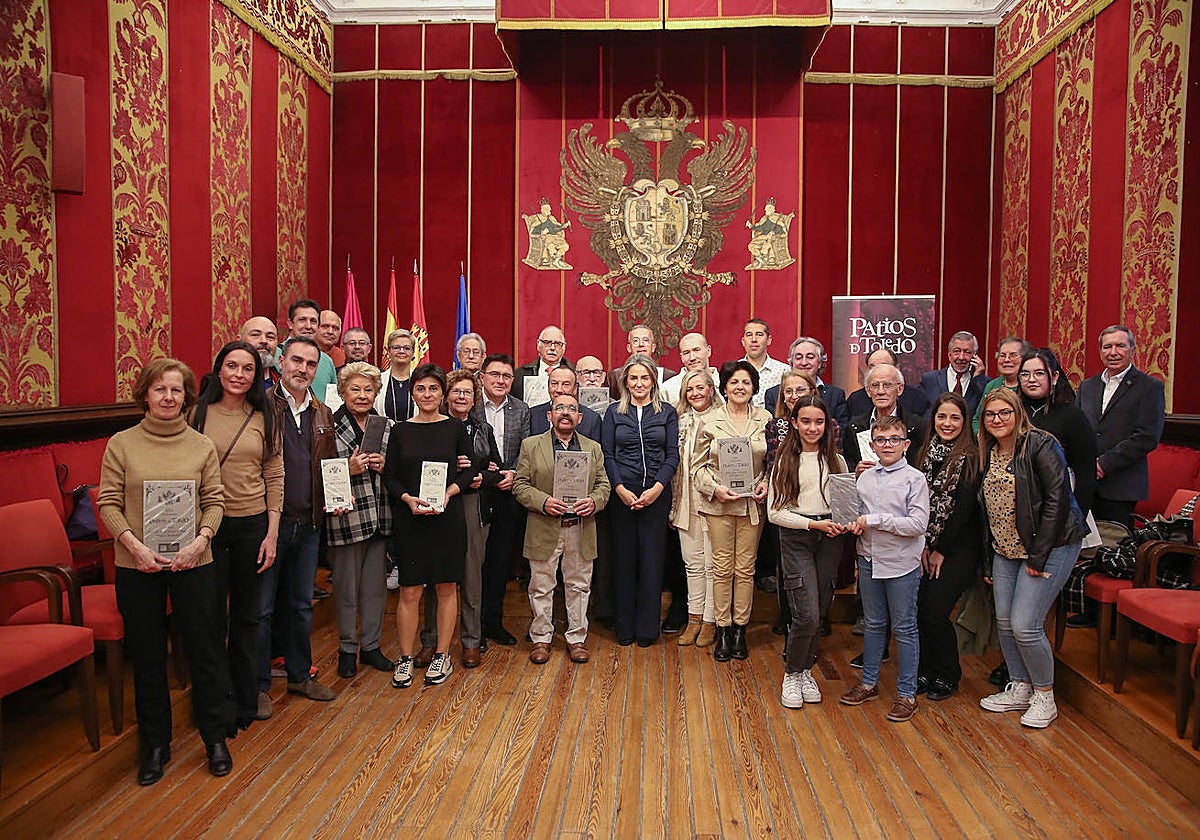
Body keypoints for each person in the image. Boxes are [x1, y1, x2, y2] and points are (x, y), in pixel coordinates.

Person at [97, 358, 232, 785]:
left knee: (205, 651)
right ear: (145, 395)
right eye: (160, 389)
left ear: (186, 397)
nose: (168, 397)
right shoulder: (121, 444)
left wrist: (201, 541)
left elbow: (215, 502)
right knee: (149, 656)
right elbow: (108, 503)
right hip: (137, 564)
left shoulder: (201, 445)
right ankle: (155, 745)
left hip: (194, 561)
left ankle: (214, 736)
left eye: (176, 390)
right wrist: (134, 547)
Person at [189, 341, 283, 735]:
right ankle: (215, 704)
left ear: (257, 376)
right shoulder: (196, 413)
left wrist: (272, 533)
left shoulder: (265, 415)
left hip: (252, 525)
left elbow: (274, 474)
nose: (239, 375)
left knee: (248, 616)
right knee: (211, 617)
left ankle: (245, 699)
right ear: (218, 369)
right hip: (207, 527)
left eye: (248, 368)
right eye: (232, 366)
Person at [977, 389, 1085, 729]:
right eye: (990, 414)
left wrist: (1038, 558)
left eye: (1004, 412)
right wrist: (988, 560)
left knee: (1025, 625)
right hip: (1005, 549)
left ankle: (1044, 695)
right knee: (1004, 621)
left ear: (1018, 413)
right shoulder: (988, 452)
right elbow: (987, 512)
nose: (997, 419)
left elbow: (1057, 501)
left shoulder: (1040, 444)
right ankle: (1020, 686)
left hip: (1050, 547)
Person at [384, 363, 477, 688]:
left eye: (433, 388)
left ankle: (442, 654)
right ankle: (405, 658)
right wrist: (407, 499)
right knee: (409, 590)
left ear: (443, 394)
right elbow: (390, 476)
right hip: (411, 518)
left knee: (446, 587)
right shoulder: (400, 431)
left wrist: (451, 491)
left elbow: (470, 470)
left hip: (447, 519)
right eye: (421, 388)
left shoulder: (455, 428)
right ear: (413, 393)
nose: (427, 394)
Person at [261, 336, 338, 708]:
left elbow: (329, 465)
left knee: (300, 605)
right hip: (268, 526)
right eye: (296, 360)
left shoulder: (323, 412)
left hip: (308, 525)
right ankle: (257, 686)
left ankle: (299, 675)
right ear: (281, 362)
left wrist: (336, 498)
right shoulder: (261, 407)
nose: (302, 369)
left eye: (310, 364)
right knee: (262, 607)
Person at [839, 415, 930, 723]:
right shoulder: (865, 478)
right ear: (872, 445)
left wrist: (875, 521)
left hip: (901, 563)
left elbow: (917, 524)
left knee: (904, 628)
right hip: (868, 560)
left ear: (906, 444)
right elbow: (856, 514)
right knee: (874, 624)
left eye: (894, 440)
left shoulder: (915, 479)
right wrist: (852, 524)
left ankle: (906, 694)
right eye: (880, 440)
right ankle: (868, 683)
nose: (887, 445)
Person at [513, 393, 611, 664]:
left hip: (579, 526)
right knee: (541, 586)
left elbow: (604, 485)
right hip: (544, 525)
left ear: (580, 417)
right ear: (550, 415)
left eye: (571, 408)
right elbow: (519, 484)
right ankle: (541, 638)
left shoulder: (593, 448)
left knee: (579, 586)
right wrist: (543, 502)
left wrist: (594, 501)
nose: (565, 412)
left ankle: (576, 638)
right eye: (560, 408)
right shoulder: (531, 445)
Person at [768, 395, 849, 708]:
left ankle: (805, 671)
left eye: (819, 422)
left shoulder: (837, 461)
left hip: (830, 538)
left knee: (821, 606)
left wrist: (841, 524)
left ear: (827, 425)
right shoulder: (784, 461)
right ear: (794, 423)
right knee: (806, 613)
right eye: (806, 421)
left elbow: (845, 506)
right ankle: (792, 672)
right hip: (798, 537)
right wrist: (812, 525)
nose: (812, 428)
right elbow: (775, 513)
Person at [692, 360, 772, 661]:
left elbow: (772, 462)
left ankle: (740, 630)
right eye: (734, 382)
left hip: (751, 505)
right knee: (722, 569)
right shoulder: (710, 420)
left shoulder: (765, 419)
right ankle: (723, 630)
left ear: (754, 388)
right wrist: (715, 489)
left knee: (746, 569)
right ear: (724, 387)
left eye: (746, 382)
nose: (740, 387)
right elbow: (697, 467)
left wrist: (766, 482)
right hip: (719, 505)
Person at [425, 369, 502, 668]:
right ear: (446, 396)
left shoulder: (483, 429)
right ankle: (430, 640)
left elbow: (498, 469)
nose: (461, 397)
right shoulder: (434, 426)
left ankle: (471, 641)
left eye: (467, 392)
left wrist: (482, 476)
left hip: (473, 504)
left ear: (474, 398)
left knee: (472, 577)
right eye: (456, 391)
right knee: (437, 575)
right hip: (440, 503)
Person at [1017, 348, 1099, 628]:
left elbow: (1087, 474)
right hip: (1018, 520)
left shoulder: (1072, 416)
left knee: (1032, 612)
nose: (1031, 379)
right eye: (1025, 374)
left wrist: (1075, 518)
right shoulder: (1011, 412)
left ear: (1053, 377)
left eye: (1039, 373)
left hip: (1061, 514)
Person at [602, 354, 679, 646]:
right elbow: (608, 454)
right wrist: (619, 488)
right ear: (625, 381)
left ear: (653, 381)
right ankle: (625, 628)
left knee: (651, 562)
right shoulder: (613, 412)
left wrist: (657, 488)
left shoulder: (667, 412)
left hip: (656, 494)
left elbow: (672, 454)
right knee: (623, 561)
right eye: (633, 378)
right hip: (622, 495)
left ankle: (647, 629)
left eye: (644, 378)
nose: (638, 383)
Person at [325, 362, 395, 678]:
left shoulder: (385, 425)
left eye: (369, 389)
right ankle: (346, 648)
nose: (362, 395)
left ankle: (371, 646)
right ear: (342, 392)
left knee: (374, 589)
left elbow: (399, 468)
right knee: (346, 589)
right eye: (355, 389)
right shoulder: (328, 425)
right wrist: (348, 469)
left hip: (380, 516)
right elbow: (321, 469)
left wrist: (386, 465)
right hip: (346, 518)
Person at [914, 393, 981, 701]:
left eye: (955, 417)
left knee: (935, 611)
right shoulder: (923, 453)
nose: (948, 423)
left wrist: (939, 549)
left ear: (964, 422)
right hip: (923, 544)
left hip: (958, 548)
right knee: (919, 609)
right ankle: (925, 670)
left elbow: (962, 510)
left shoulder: (972, 457)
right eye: (942, 417)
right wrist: (923, 545)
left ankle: (948, 674)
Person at [1076, 325, 1165, 527]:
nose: (1113, 352)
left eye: (1120, 346)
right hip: (1085, 482)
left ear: (1132, 350)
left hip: (1122, 485)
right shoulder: (1087, 386)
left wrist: (1103, 465)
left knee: (1113, 543)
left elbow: (1147, 436)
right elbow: (1077, 429)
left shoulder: (1150, 387)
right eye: (1107, 347)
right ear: (1100, 351)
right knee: (1082, 542)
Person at [477, 353, 528, 646]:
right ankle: (473, 627)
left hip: (508, 493)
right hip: (476, 492)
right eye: (495, 374)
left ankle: (493, 623)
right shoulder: (469, 406)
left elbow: (527, 448)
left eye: (506, 376)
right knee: (475, 563)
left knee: (499, 562)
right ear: (482, 377)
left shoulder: (521, 410)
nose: (500, 380)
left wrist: (514, 473)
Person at [669, 368, 721, 646]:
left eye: (700, 387)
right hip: (685, 500)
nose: (695, 393)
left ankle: (710, 621)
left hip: (714, 501)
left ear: (711, 390)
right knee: (693, 564)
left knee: (712, 565)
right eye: (690, 389)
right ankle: (694, 618)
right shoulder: (678, 421)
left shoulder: (722, 419)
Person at [843, 363, 928, 472]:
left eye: (887, 385)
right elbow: (849, 465)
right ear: (868, 391)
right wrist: (856, 472)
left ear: (900, 389)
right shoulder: (854, 427)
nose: (881, 391)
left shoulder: (917, 426)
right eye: (875, 385)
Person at [763, 337, 849, 440]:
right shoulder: (774, 394)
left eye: (810, 357)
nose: (804, 362)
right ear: (791, 363)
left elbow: (842, 433)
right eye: (798, 357)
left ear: (820, 363)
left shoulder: (835, 395)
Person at [845, 348, 931, 419]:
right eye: (872, 367)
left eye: (884, 366)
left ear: (897, 368)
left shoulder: (917, 398)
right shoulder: (855, 400)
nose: (879, 371)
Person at [279, 299, 338, 398]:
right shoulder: (275, 354)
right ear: (290, 324)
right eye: (302, 320)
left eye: (313, 321)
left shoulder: (327, 361)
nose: (308, 326)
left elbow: (333, 400)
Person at [972, 336, 1032, 432]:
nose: (1006, 360)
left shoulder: (1030, 385)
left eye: (1013, 355)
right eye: (1002, 355)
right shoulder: (992, 385)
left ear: (1025, 359)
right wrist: (981, 436)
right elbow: (977, 420)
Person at [920, 331, 989, 414]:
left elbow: (986, 409)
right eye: (957, 351)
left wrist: (978, 378)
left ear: (975, 356)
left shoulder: (985, 383)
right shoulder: (929, 380)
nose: (961, 357)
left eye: (967, 352)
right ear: (949, 354)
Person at [530, 365, 603, 441]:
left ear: (575, 389)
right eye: (554, 384)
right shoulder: (533, 415)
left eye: (566, 385)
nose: (559, 390)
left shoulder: (591, 419)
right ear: (548, 387)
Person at [607, 325, 677, 399]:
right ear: (629, 348)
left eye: (646, 340)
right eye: (635, 341)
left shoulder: (669, 376)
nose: (641, 344)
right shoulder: (614, 377)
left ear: (653, 347)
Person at [740, 319, 790, 409]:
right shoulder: (734, 369)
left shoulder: (784, 371)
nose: (754, 339)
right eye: (749, 335)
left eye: (759, 334)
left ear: (768, 340)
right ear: (743, 341)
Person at [661, 331, 719, 406]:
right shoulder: (667, 389)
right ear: (681, 357)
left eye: (697, 350)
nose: (692, 358)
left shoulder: (727, 383)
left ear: (708, 351)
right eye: (686, 353)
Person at [515, 325, 570, 403]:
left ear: (564, 348)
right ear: (538, 345)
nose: (552, 348)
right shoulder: (520, 374)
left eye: (557, 344)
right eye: (547, 343)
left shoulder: (573, 373)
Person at [375, 329, 417, 422]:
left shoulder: (420, 380)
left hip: (416, 430)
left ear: (413, 352)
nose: (401, 351)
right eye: (396, 348)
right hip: (385, 431)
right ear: (388, 351)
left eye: (407, 348)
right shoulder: (377, 380)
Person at [239, 316, 280, 390]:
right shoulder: (226, 383)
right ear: (240, 341)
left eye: (270, 337)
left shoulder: (285, 386)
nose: (264, 341)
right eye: (255, 335)